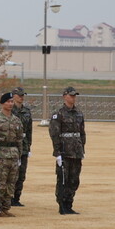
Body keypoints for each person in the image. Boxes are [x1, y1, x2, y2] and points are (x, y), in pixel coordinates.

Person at [49, 87, 86, 215]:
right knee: (63, 179)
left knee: (74, 179)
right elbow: (54, 134)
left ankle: (69, 203)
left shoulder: (79, 113)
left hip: (76, 151)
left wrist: (83, 149)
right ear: (64, 96)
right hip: (65, 152)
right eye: (71, 95)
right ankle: (62, 204)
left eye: (74, 95)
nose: (73, 98)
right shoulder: (58, 114)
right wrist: (57, 152)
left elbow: (82, 133)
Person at [11, 87, 33, 207]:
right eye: (19, 95)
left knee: (21, 174)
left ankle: (16, 198)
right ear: (13, 96)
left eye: (22, 95)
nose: (21, 97)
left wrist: (29, 146)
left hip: (23, 146)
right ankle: (8, 197)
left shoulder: (27, 111)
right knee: (11, 173)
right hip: (12, 145)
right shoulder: (9, 110)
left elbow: (29, 131)